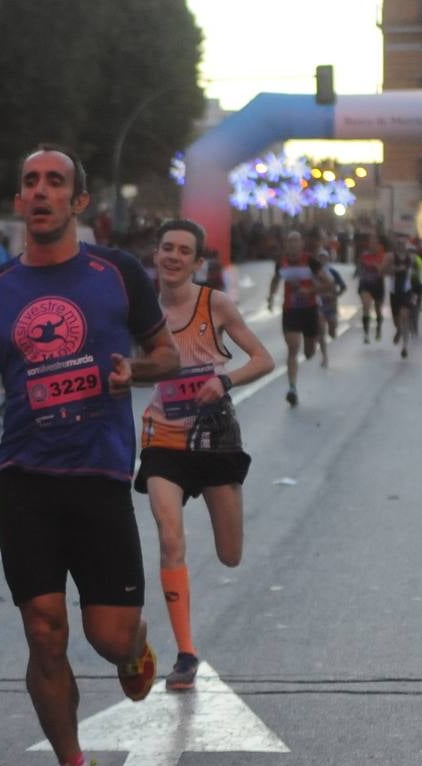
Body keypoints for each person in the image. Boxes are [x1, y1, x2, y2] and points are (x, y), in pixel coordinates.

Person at [0, 145, 179, 766]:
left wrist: (132, 372)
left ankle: (134, 649)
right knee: (43, 633)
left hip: (99, 477)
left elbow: (167, 354)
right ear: (19, 202)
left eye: (55, 183)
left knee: (107, 638)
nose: (40, 192)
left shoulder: (117, 272)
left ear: (77, 203)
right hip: (25, 480)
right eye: (29, 183)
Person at [135, 220, 273, 690]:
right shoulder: (140, 311)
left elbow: (263, 359)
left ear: (197, 263)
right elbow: (124, 368)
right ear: (156, 255)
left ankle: (185, 649)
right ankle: (185, 655)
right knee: (170, 538)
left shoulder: (213, 304)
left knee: (230, 555)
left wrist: (224, 381)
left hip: (214, 438)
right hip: (162, 439)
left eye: (184, 252)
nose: (173, 257)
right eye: (166, 248)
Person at [268, 231, 332, 407]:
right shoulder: (281, 262)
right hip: (291, 311)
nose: (293, 245)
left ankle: (313, 347)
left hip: (309, 311)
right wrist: (271, 297)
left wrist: (310, 291)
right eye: (290, 242)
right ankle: (292, 388)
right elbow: (275, 279)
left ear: (302, 244)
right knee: (293, 347)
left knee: (309, 353)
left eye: (296, 241)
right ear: (286, 245)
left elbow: (329, 285)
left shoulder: (311, 262)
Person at [383, 237, 416, 359]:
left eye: (403, 244)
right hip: (394, 292)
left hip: (406, 291)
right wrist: (394, 270)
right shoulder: (391, 258)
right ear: (395, 246)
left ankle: (405, 347)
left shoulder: (410, 258)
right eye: (398, 244)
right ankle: (398, 330)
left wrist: (416, 291)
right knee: (397, 321)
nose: (401, 246)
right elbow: (383, 271)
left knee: (405, 317)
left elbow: (414, 274)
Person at [355, 234, 387, 344]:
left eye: (375, 244)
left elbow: (382, 270)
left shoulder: (382, 256)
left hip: (378, 284)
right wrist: (360, 269)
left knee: (378, 310)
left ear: (379, 245)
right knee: (366, 306)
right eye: (371, 243)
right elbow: (359, 267)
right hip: (365, 284)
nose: (372, 246)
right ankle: (366, 334)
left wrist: (375, 265)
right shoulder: (364, 255)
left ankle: (378, 327)